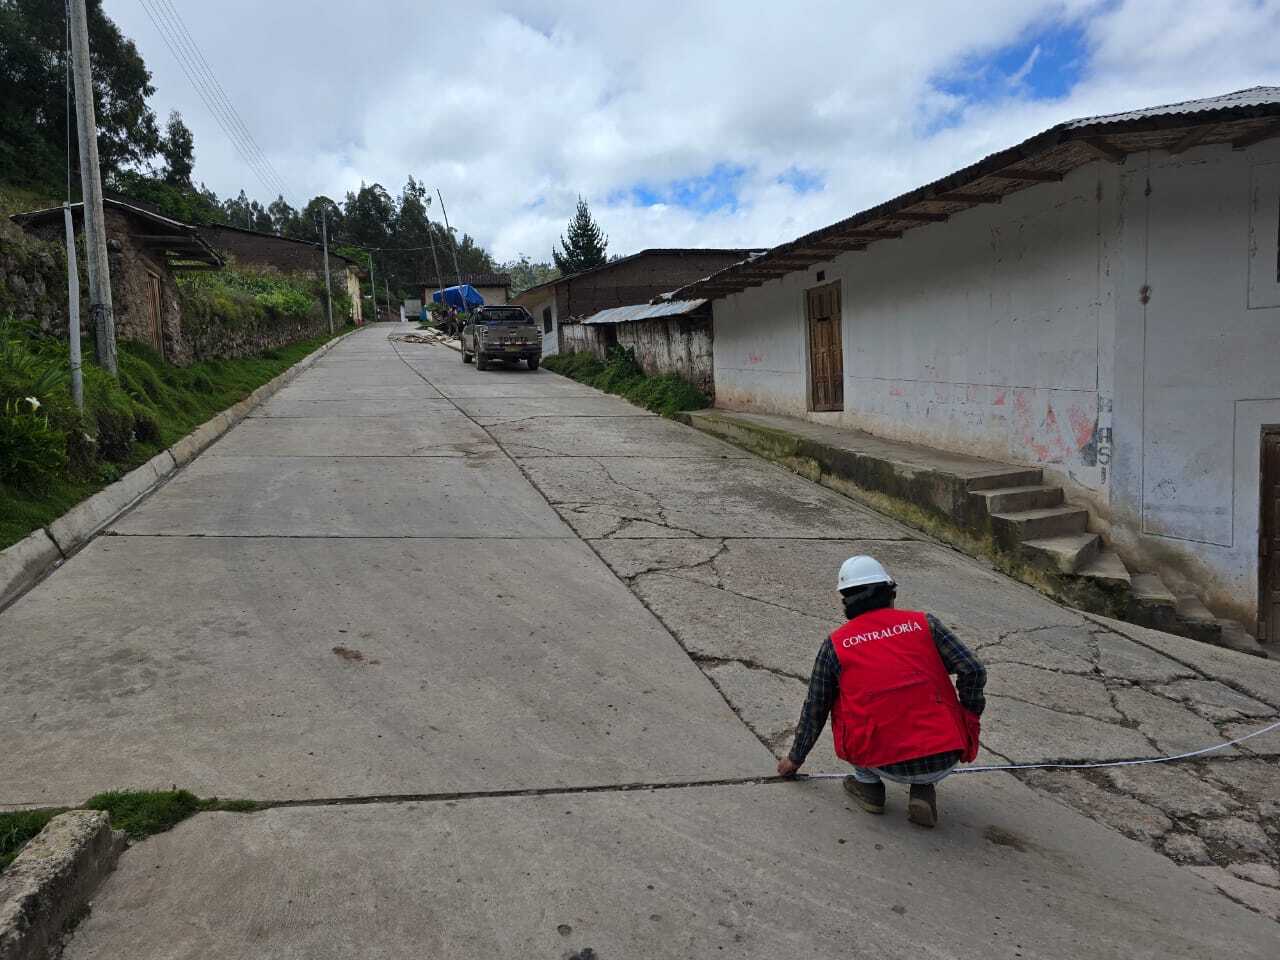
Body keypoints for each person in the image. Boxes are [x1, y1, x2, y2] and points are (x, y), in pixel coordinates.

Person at [776, 555, 986, 828]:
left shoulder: (836, 645)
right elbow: (973, 670)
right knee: (924, 694)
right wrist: (969, 718)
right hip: (946, 755)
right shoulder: (926, 624)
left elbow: (816, 706)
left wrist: (795, 759)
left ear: (846, 602)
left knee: (842, 700)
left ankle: (868, 786)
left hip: (881, 762)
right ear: (891, 594)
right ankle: (923, 787)